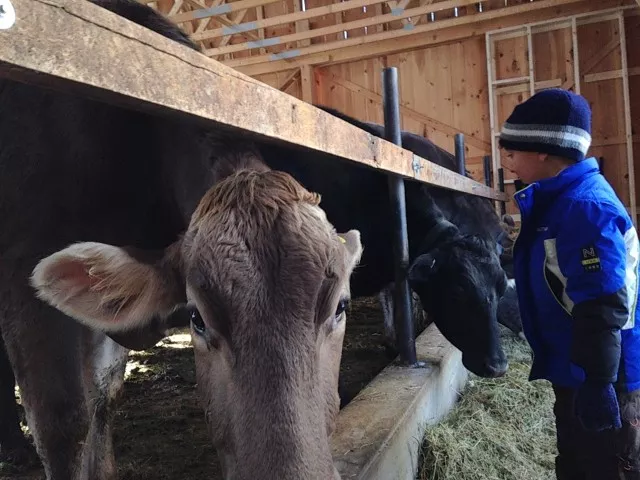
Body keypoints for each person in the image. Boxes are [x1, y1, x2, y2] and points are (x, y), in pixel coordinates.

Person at [499, 88, 640, 480]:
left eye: (512, 153)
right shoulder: (559, 203)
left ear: (543, 151)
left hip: (604, 377)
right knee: (576, 463)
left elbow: (603, 302)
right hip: (577, 367)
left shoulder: (584, 208)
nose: (509, 164)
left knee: (608, 467)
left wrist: (598, 383)